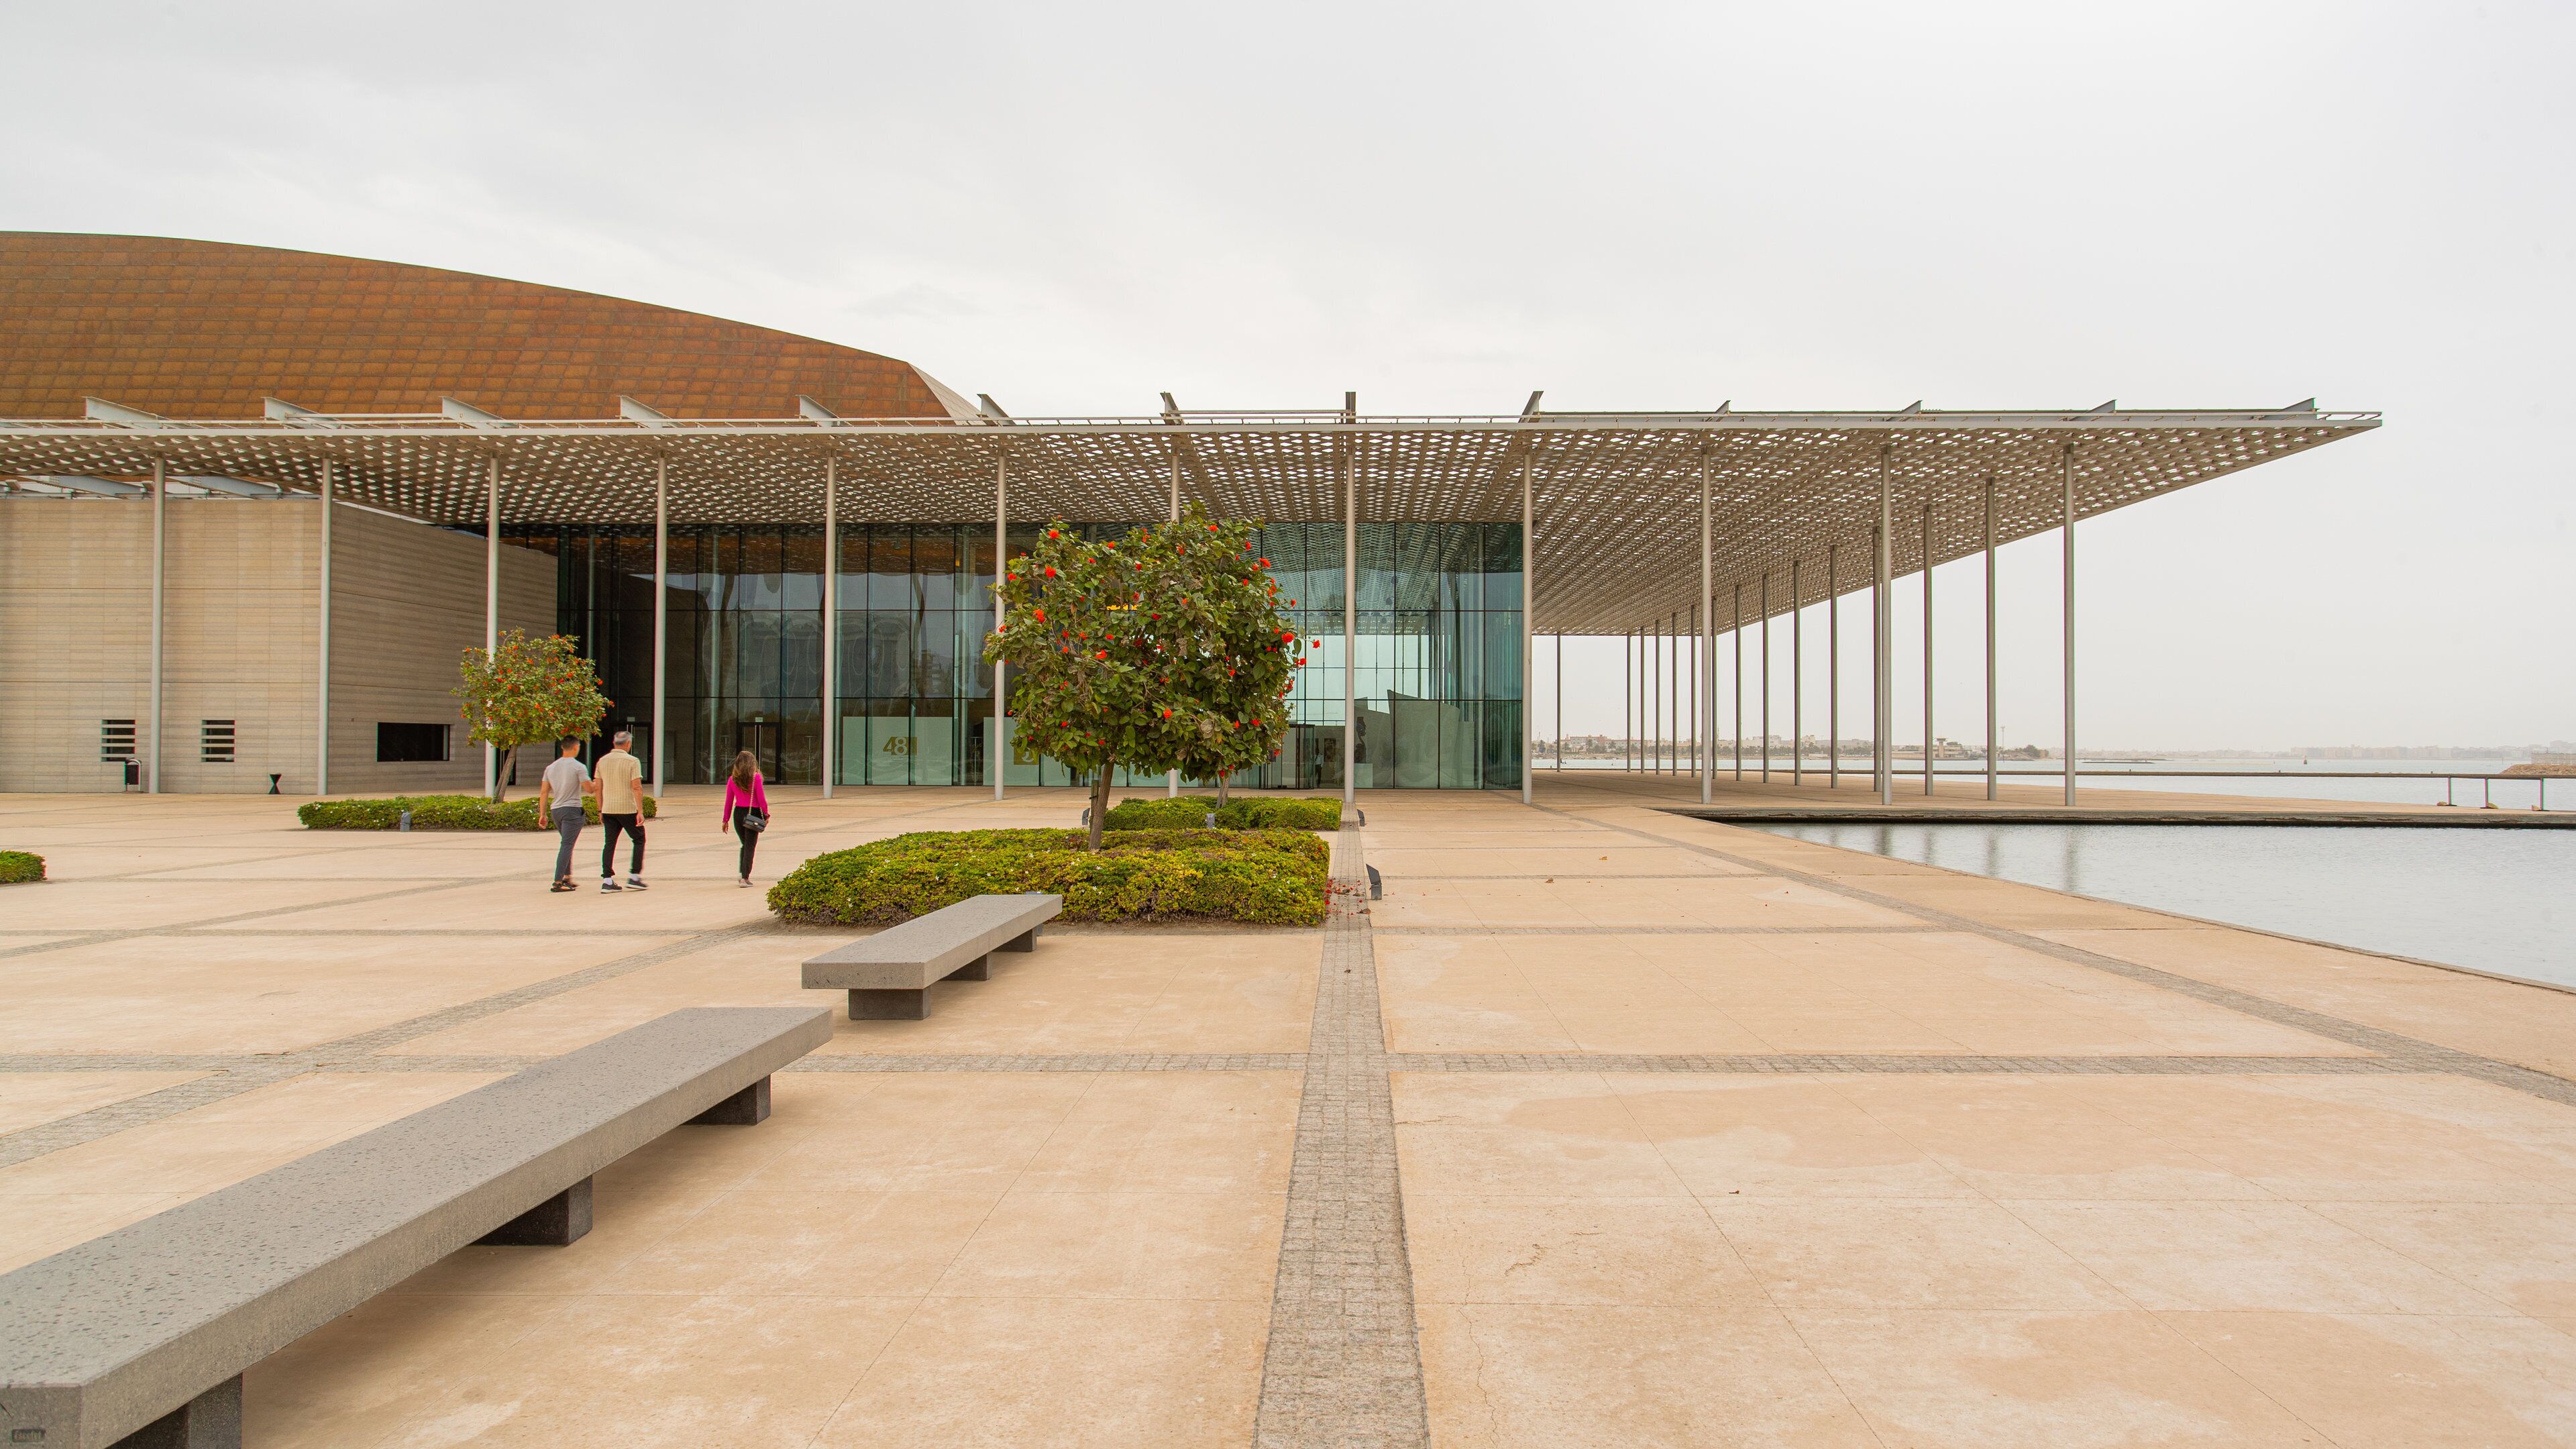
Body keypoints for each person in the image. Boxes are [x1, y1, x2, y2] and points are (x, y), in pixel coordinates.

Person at [534, 737, 594, 893]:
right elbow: (589, 789)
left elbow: (544, 792)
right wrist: (598, 783)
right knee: (567, 844)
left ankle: (567, 877)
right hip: (572, 810)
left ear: (562, 747)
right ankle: (558, 881)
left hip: (556, 810)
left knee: (567, 843)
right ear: (576, 747)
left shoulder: (551, 768)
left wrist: (543, 814)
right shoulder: (578, 767)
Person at [594, 729, 649, 892]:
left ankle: (607, 880)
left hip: (609, 809)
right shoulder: (632, 761)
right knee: (639, 839)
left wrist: (600, 810)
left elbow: (598, 788)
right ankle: (634, 876)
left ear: (614, 743)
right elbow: (636, 787)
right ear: (628, 744)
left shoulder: (602, 761)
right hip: (627, 808)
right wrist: (640, 810)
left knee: (609, 843)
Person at [720, 749, 769, 888]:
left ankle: (742, 873)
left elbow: (729, 801)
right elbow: (761, 799)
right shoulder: (756, 778)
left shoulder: (732, 779)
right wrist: (766, 814)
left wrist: (725, 819)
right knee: (750, 845)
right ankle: (745, 877)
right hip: (753, 813)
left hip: (738, 813)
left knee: (745, 844)